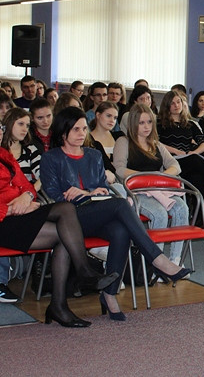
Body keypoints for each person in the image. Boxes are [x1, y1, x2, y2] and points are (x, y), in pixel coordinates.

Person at [0, 108, 118, 327]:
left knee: (65, 226)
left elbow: (29, 189)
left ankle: (62, 302)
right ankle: (79, 278)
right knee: (64, 211)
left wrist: (24, 197)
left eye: (0, 127)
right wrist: (11, 209)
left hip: (19, 217)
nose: (0, 132)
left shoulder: (3, 156)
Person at [40, 106, 190, 321]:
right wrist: (86, 193)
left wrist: (88, 192)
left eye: (84, 129)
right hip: (69, 219)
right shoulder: (51, 158)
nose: (82, 134)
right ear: (63, 132)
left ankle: (109, 295)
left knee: (121, 231)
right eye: (76, 130)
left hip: (95, 211)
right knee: (120, 204)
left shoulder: (92, 155)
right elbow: (54, 196)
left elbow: (101, 186)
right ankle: (157, 259)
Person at [113, 103, 189, 266]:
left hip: (158, 190)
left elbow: (176, 165)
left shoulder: (156, 144)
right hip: (136, 192)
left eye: (149, 122)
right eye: (141, 123)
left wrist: (160, 176)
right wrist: (144, 177)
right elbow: (119, 169)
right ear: (133, 124)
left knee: (182, 209)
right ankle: (157, 263)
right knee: (159, 214)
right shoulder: (124, 142)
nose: (146, 126)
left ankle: (175, 261)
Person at [156, 90, 204, 207]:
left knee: (198, 178)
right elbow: (155, 142)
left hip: (188, 160)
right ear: (167, 106)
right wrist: (175, 151)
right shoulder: (160, 124)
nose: (176, 105)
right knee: (195, 160)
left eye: (178, 102)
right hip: (170, 161)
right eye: (172, 103)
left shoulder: (190, 124)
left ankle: (199, 218)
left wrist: (194, 152)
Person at [1, 107, 42, 192]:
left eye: (27, 126)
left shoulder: (30, 149)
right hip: (4, 197)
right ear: (9, 123)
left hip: (28, 197)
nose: (25, 129)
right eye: (20, 124)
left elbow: (43, 175)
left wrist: (29, 194)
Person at [87, 101, 123, 186]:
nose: (112, 121)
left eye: (115, 118)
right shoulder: (88, 140)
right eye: (108, 116)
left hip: (121, 182)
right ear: (98, 115)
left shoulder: (119, 137)